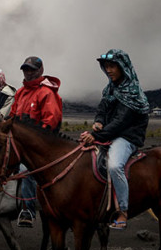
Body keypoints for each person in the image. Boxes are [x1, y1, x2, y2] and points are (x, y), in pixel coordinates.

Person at [79, 49, 150, 231]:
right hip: (110, 134)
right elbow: (102, 108)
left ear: (123, 67)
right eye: (106, 67)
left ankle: (123, 211)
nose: (108, 70)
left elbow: (121, 122)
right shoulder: (110, 88)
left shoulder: (132, 91)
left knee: (114, 166)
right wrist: (98, 122)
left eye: (112, 66)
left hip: (126, 137)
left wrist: (95, 136)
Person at [12, 55, 62, 227]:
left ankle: (28, 210)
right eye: (25, 69)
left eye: (31, 69)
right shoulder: (20, 92)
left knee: (26, 171)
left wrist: (32, 142)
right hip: (21, 146)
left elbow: (51, 121)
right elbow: (12, 118)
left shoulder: (46, 93)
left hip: (42, 148)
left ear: (40, 70)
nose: (28, 73)